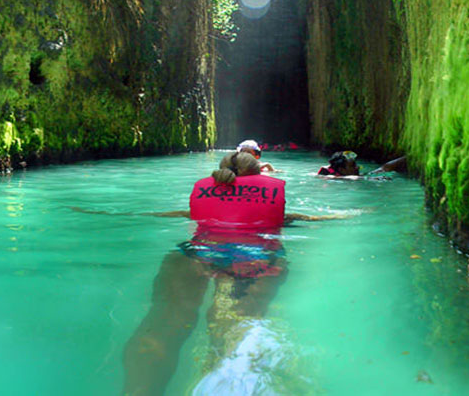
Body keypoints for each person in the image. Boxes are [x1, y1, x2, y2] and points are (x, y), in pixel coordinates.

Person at [122, 152, 343, 395]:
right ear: (258, 177)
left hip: (195, 255)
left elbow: (149, 215)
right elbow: (327, 218)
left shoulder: (197, 205)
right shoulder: (284, 215)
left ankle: (138, 390)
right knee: (234, 332)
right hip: (257, 262)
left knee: (164, 325)